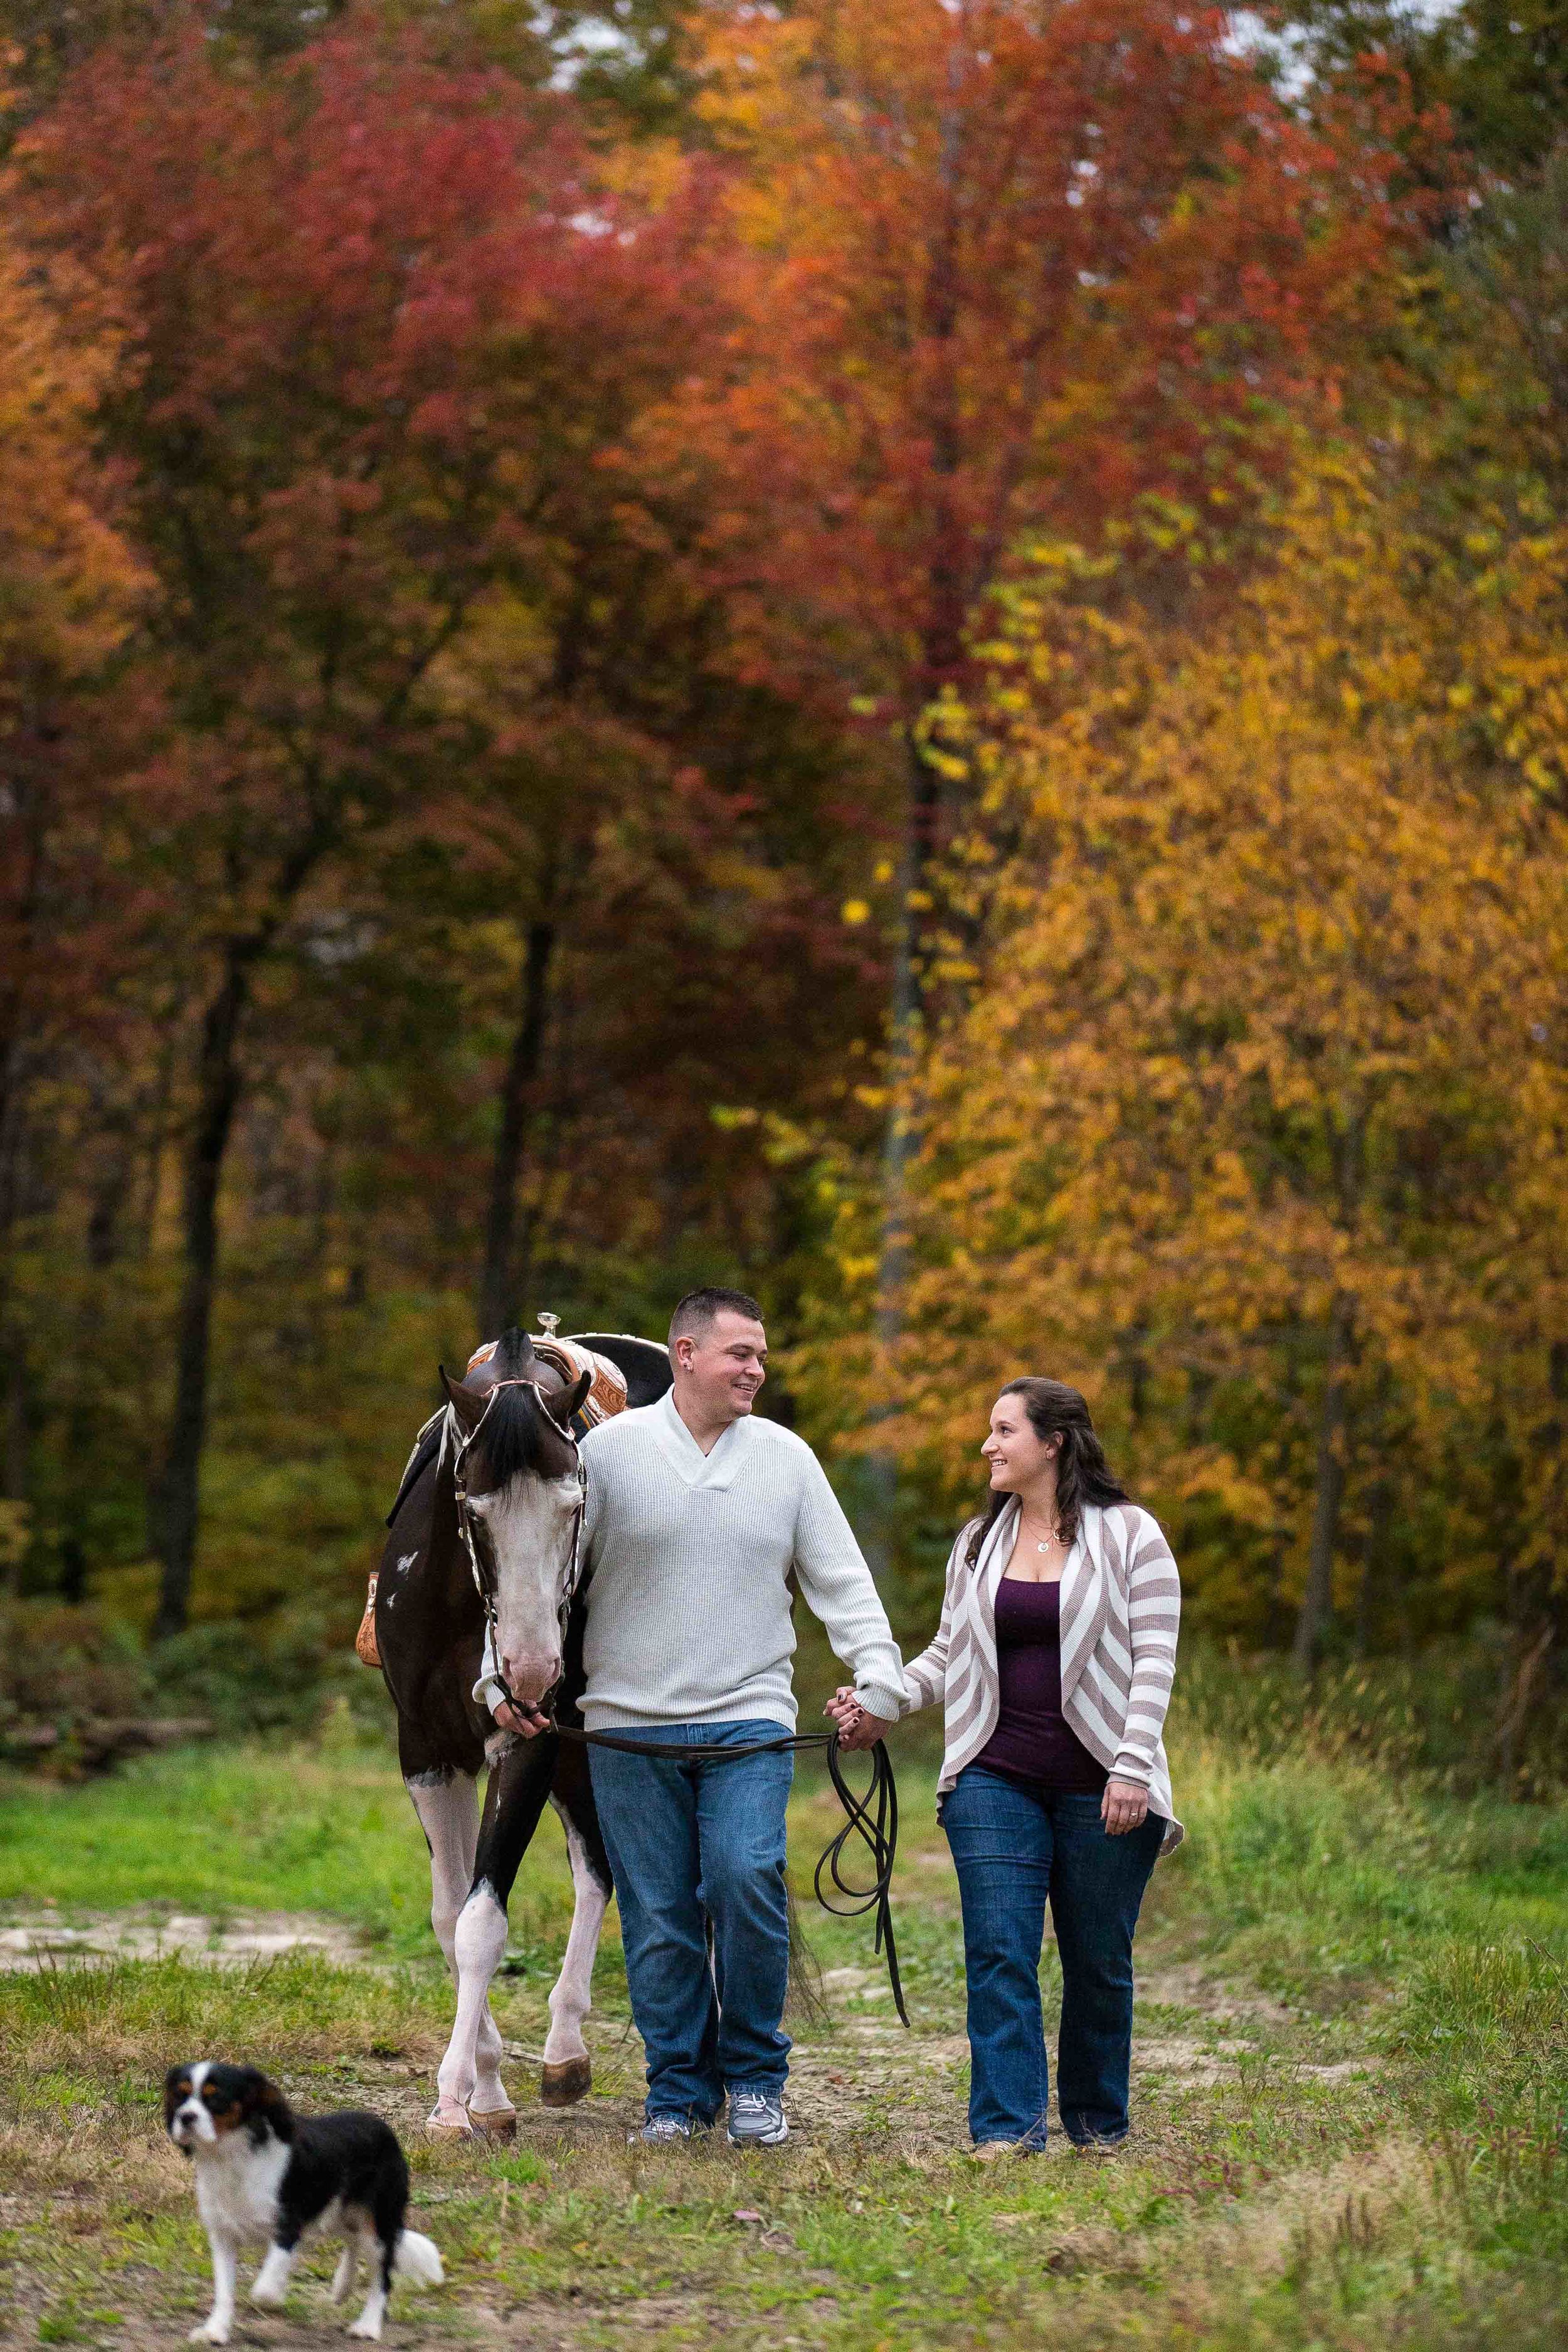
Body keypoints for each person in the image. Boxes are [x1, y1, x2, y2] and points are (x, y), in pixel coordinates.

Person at [490, 1287, 901, 2148]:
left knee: (747, 1882)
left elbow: (843, 1582)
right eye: (739, 1353)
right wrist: (501, 1682)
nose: (756, 1367)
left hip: (749, 1723)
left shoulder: (788, 1459)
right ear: (684, 1354)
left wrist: (880, 1681)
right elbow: (542, 1574)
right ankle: (676, 2093)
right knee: (659, 1914)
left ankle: (754, 2080)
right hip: (626, 1728)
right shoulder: (607, 1456)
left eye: (761, 1354)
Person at [832, 1378, 1181, 2158]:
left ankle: (1096, 2124)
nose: (987, 1447)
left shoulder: (1130, 1535)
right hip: (993, 1777)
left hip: (1103, 1783)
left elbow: (1155, 1659)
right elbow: (949, 1655)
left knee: (1097, 1960)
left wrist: (1131, 1766)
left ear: (1052, 1443)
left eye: (1002, 1431)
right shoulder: (978, 1542)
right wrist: (881, 1703)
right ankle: (1007, 2129)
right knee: (998, 1953)